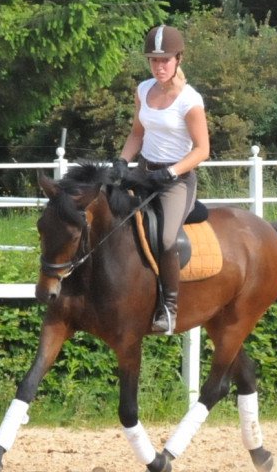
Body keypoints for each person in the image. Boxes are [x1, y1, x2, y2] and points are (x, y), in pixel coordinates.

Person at [112, 24, 210, 335]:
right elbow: (137, 134)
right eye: (154, 61)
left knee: (167, 239)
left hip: (176, 179)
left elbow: (203, 150)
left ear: (178, 59)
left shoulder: (189, 101)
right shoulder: (142, 90)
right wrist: (121, 161)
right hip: (143, 170)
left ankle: (169, 308)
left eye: (165, 60)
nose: (159, 66)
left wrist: (169, 172)